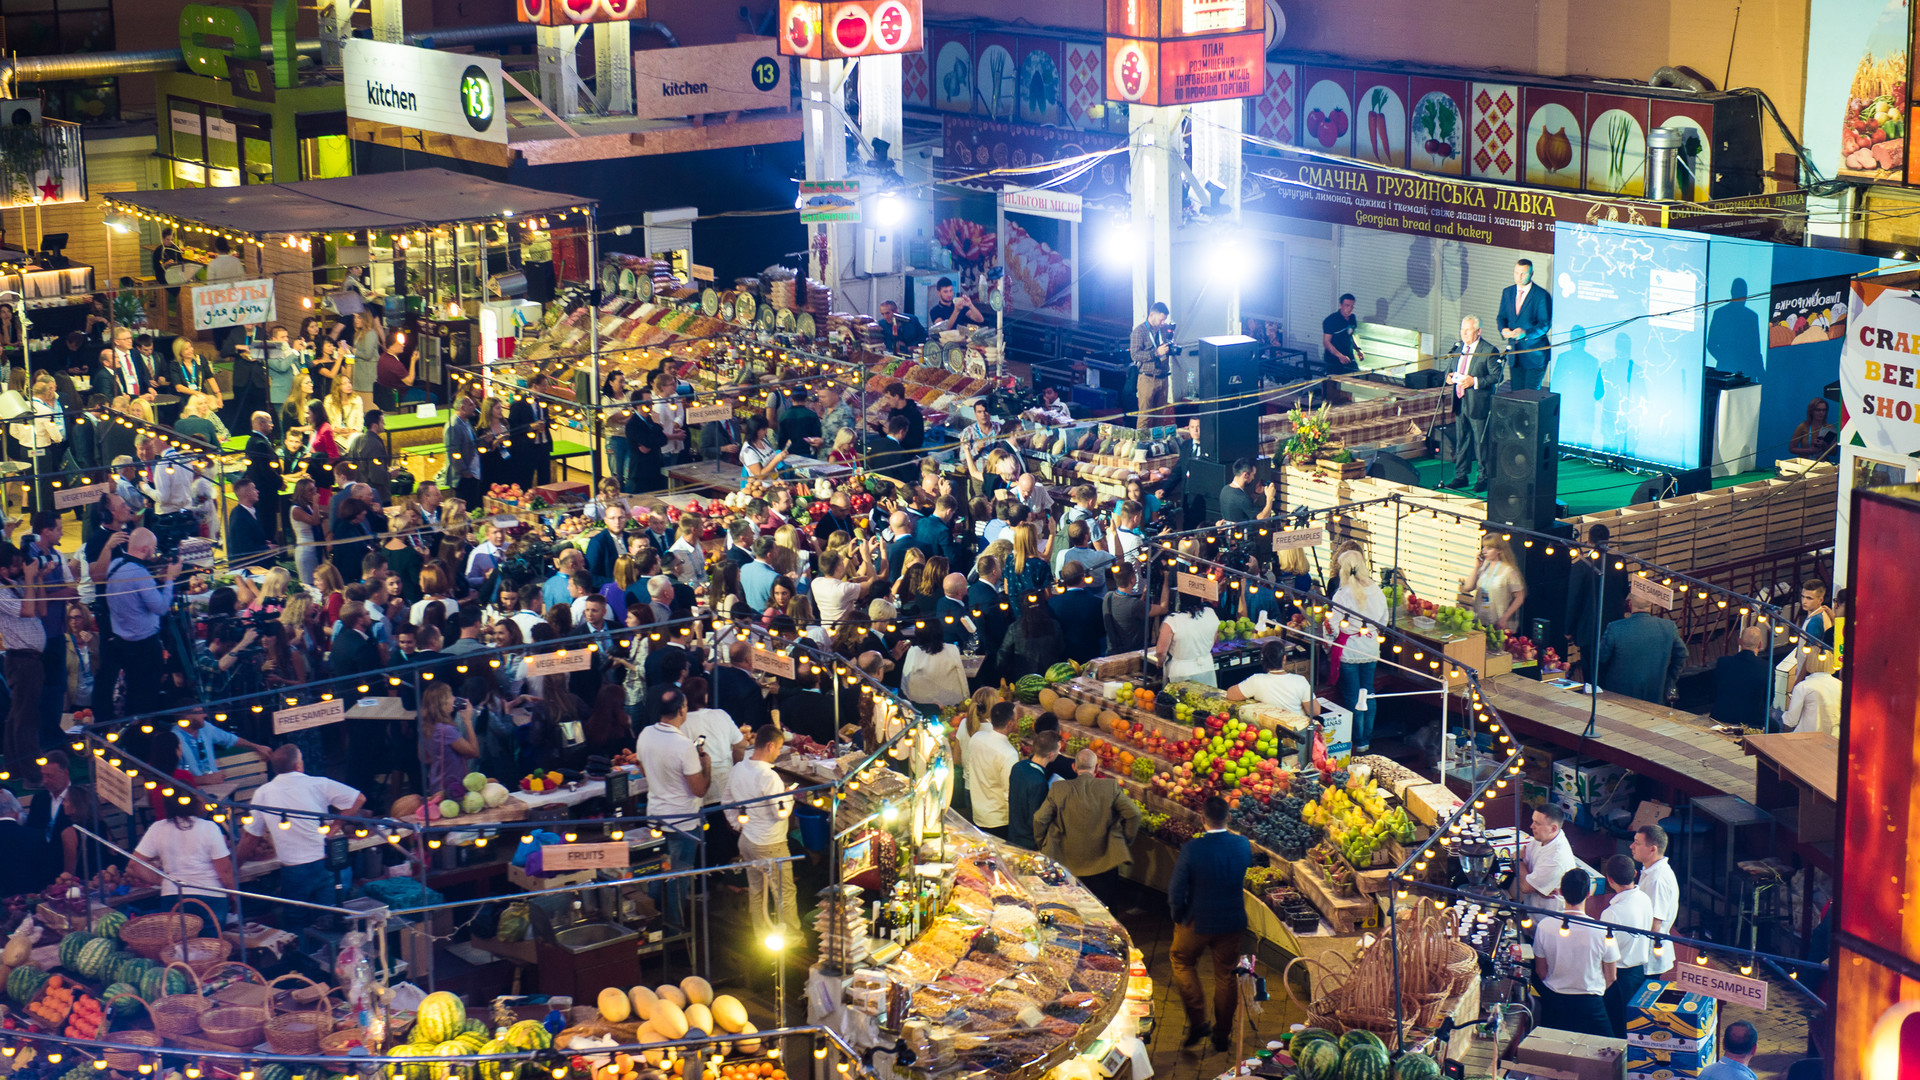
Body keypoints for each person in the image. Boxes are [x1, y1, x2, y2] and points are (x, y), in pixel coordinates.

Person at [235, 745, 365, 931]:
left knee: (296, 923)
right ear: (298, 765)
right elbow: (358, 799)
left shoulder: (263, 793)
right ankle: (330, 956)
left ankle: (304, 956)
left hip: (295, 869)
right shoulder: (318, 783)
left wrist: (234, 867)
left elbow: (250, 837)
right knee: (331, 919)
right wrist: (335, 827)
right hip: (328, 862)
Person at [1168, 795, 1252, 1053]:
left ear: (1202, 818)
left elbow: (1176, 889)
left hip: (1196, 920)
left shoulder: (1193, 848)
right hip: (1231, 921)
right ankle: (1222, 1035)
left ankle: (1197, 1022)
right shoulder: (1242, 845)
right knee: (1226, 975)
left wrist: (1178, 914)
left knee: (1181, 960)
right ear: (1228, 817)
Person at [634, 684, 708, 932]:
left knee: (657, 874)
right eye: (685, 706)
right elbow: (699, 789)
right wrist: (705, 765)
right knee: (677, 879)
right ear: (680, 711)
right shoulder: (684, 745)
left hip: (655, 817)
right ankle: (674, 928)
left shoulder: (645, 734)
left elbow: (644, 769)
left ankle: (653, 922)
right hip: (682, 823)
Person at [1035, 746, 1141, 903]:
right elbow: (1134, 813)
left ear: (1074, 767)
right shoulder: (1110, 788)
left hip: (1067, 863)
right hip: (1104, 864)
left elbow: (1039, 818)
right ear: (1097, 768)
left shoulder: (1059, 789)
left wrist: (1043, 842)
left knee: (1070, 907)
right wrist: (1124, 841)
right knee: (1103, 909)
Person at [94, 527, 180, 720]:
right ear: (144, 549)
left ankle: (133, 730)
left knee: (132, 694)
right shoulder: (140, 575)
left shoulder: (116, 564)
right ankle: (145, 735)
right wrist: (169, 579)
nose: (154, 553)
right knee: (146, 698)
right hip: (144, 646)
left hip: (121, 642)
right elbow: (161, 607)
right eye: (153, 549)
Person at [727, 724, 800, 939]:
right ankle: (793, 937)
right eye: (778, 749)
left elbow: (726, 800)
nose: (778, 753)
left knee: (757, 889)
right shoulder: (769, 777)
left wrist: (737, 824)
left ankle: (760, 936)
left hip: (747, 840)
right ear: (769, 746)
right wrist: (788, 795)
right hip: (770, 844)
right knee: (784, 892)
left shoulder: (738, 768)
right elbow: (781, 812)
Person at [128, 796, 236, 934]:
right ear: (195, 802)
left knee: (178, 950)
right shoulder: (210, 828)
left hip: (173, 896)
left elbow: (134, 864)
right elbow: (225, 871)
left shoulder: (158, 828)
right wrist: (234, 897)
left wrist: (160, 880)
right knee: (210, 948)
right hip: (211, 897)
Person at [1532, 869, 1618, 1037]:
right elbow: (1612, 976)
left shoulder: (1544, 926)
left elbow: (1540, 971)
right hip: (1590, 1004)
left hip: (1555, 1002)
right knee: (1606, 1053)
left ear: (1561, 892)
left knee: (1550, 1052)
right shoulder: (1602, 931)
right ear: (1589, 893)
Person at [0, 543, 45, 779]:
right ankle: (30, 772)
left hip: (29, 660)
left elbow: (41, 608)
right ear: (3, 570)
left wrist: (36, 578)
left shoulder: (15, 584)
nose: (21, 568)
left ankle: (15, 767)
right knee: (25, 719)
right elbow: (28, 610)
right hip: (21, 661)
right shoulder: (1, 591)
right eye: (16, 565)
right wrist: (28, 577)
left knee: (18, 716)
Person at [1446, 314, 1504, 491]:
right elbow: (1448, 370)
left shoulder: (1488, 350)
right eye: (1462, 330)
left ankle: (1483, 477)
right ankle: (1461, 475)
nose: (1464, 334)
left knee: (1480, 442)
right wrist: (1448, 378)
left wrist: (1475, 382)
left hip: (1478, 402)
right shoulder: (1458, 348)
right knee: (1462, 439)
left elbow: (1497, 376)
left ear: (1478, 331)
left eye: (1468, 330)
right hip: (1460, 400)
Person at [1597, 593, 1686, 705]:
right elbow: (1682, 654)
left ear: (1629, 604)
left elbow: (1601, 657)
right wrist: (1670, 678)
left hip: (1620, 694)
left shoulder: (1614, 628)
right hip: (1656, 691)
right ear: (1652, 604)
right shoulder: (1668, 627)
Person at [1564, 523, 1627, 680]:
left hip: (1589, 630)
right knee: (1610, 671)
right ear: (1608, 540)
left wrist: (1568, 629)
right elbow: (1624, 591)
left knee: (1591, 674)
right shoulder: (1619, 562)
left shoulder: (1580, 566)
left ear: (1588, 539)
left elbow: (1574, 600)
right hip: (1614, 626)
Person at [1599, 853, 1653, 1038]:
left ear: (1610, 880)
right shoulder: (1645, 899)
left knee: (1618, 1030)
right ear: (1635, 874)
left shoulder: (1611, 913)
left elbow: (1605, 952)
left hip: (1618, 977)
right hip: (1638, 972)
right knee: (1634, 1027)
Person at [963, 700, 1019, 838]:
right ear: (1010, 723)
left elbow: (970, 769)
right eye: (1017, 719)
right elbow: (1009, 793)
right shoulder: (1009, 754)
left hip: (978, 813)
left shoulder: (977, 738)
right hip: (998, 820)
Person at [1630, 824, 1679, 979]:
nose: (1631, 846)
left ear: (1653, 849)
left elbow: (1654, 924)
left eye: (1637, 843)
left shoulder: (1657, 880)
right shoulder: (1651, 872)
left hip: (1647, 957)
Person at [1226, 640, 1320, 717]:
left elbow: (1230, 694)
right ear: (1284, 658)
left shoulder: (1256, 680)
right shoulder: (1300, 681)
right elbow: (1315, 711)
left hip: (1268, 731)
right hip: (1296, 730)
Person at [1498, 259, 1552, 390]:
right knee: (1516, 394)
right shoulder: (1508, 292)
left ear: (1531, 274)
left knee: (1529, 397)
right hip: (1515, 355)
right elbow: (1501, 316)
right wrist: (1503, 329)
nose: (1519, 277)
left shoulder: (1541, 295)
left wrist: (1526, 334)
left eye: (1523, 274)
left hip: (1534, 355)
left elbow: (1545, 324)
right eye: (1516, 273)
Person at [172, 708, 269, 779]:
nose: (204, 715)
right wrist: (206, 780)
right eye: (199, 712)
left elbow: (230, 739)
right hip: (190, 793)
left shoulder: (205, 728)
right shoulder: (174, 737)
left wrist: (257, 747)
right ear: (187, 716)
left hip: (216, 787)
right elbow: (174, 776)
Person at [1005, 729, 1058, 851]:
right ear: (1050, 755)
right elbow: (1036, 819)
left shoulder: (1018, 767)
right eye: (1057, 750)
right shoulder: (1039, 782)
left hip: (1013, 833)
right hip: (1027, 842)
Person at [1710, 626, 1771, 730]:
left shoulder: (1723, 662)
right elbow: (1769, 698)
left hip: (1722, 717)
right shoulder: (1766, 667)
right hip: (1752, 721)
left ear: (1739, 641)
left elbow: (1713, 691)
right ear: (1760, 645)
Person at [1519, 803, 1576, 911]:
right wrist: (1537, 889)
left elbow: (1525, 887)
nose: (1531, 826)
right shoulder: (1541, 839)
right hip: (1531, 908)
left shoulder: (1556, 858)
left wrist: (1519, 861)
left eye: (1537, 823)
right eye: (1533, 821)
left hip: (1548, 917)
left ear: (1553, 828)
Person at [1157, 590, 1221, 687]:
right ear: (1200, 597)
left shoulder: (1173, 620)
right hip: (1207, 667)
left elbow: (1161, 652)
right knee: (1206, 700)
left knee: (1182, 701)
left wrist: (1160, 663)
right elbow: (1215, 639)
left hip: (1182, 672)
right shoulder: (1210, 613)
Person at [901, 620, 968, 710]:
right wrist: (966, 698)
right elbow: (962, 677)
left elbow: (905, 680)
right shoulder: (952, 649)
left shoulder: (913, 651)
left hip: (922, 705)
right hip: (951, 703)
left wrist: (907, 702)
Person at [1467, 535, 1527, 631]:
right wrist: (1476, 567)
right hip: (1480, 619)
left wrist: (1505, 617)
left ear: (1499, 550)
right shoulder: (1483, 567)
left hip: (1498, 622)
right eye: (1484, 547)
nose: (1484, 551)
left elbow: (1520, 597)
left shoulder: (1508, 571)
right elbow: (1468, 587)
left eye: (1489, 548)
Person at [1050, 561, 1105, 663]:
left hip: (1064, 659)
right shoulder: (1096, 602)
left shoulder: (1052, 603)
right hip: (1091, 656)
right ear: (1082, 578)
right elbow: (1102, 632)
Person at [1131, 301, 1173, 431]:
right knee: (1145, 416)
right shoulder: (1139, 332)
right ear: (1151, 315)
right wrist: (1156, 353)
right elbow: (1135, 355)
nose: (1162, 322)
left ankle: (1157, 446)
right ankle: (1141, 448)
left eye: (1164, 320)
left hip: (1163, 377)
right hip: (1147, 379)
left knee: (1160, 416)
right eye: (1161, 319)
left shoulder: (1164, 329)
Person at [1784, 649, 1841, 736]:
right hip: (1835, 739)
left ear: (1809, 662)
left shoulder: (1803, 687)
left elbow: (1791, 721)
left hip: (1807, 739)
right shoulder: (1841, 686)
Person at [1217, 458, 1275, 524]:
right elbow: (1263, 518)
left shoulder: (1225, 489)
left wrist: (1256, 493)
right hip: (1243, 532)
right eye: (1253, 474)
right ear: (1245, 475)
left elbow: (1245, 507)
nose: (1253, 478)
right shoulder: (1242, 498)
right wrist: (1270, 498)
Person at [1321, 293, 1360, 377]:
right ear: (1340, 305)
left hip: (1349, 358)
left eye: (1352, 306)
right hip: (1333, 361)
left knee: (1356, 380)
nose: (1350, 309)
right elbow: (1326, 342)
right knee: (1334, 386)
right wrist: (1339, 356)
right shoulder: (1331, 320)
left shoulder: (1352, 318)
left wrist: (1358, 350)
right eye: (1347, 306)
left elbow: (1349, 336)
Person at [1797, 578, 1835, 648]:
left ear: (1820, 600)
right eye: (1803, 596)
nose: (1804, 601)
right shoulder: (1820, 614)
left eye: (1809, 598)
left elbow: (1810, 649)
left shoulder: (1815, 621)